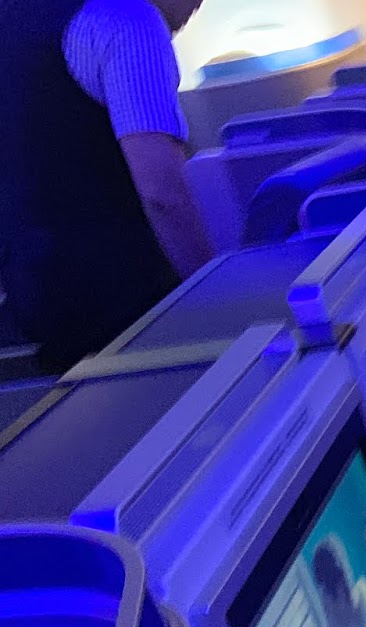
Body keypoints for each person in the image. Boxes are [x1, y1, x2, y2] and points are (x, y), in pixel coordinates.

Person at [0, 0, 216, 372]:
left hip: (36, 313)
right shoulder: (129, 19)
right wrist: (218, 288)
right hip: (138, 311)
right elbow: (162, 194)